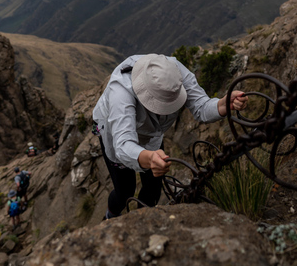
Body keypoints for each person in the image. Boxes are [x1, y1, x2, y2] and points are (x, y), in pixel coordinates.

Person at [93, 54, 248, 219]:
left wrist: (222, 105)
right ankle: (110, 216)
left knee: (153, 188)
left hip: (151, 136)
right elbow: (123, 144)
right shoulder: (121, 91)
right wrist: (149, 158)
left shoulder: (174, 74)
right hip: (114, 133)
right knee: (124, 191)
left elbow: (201, 106)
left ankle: (142, 221)